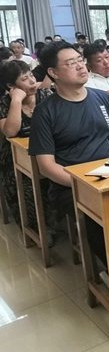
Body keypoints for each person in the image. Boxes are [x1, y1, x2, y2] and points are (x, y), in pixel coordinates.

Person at [29, 41, 109, 301]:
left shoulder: (102, 98)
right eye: (70, 63)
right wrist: (86, 184)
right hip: (72, 185)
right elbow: (46, 166)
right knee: (95, 215)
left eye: (79, 60)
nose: (80, 66)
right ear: (53, 72)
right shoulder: (45, 112)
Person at [0, 60, 54, 240]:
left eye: (31, 75)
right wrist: (16, 100)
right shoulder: (4, 103)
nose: (32, 81)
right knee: (26, 185)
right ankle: (37, 227)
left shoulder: (46, 94)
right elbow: (10, 132)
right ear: (11, 86)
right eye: (24, 79)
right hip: (15, 157)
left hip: (49, 150)